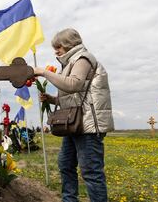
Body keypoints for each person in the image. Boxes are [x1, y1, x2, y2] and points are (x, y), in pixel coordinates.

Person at [33, 28, 114, 202]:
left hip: (88, 125)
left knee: (91, 171)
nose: (56, 50)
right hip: (76, 123)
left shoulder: (83, 59)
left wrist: (44, 72)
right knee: (65, 165)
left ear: (70, 44)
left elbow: (74, 84)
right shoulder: (70, 62)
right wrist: (52, 99)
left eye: (59, 46)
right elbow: (74, 98)